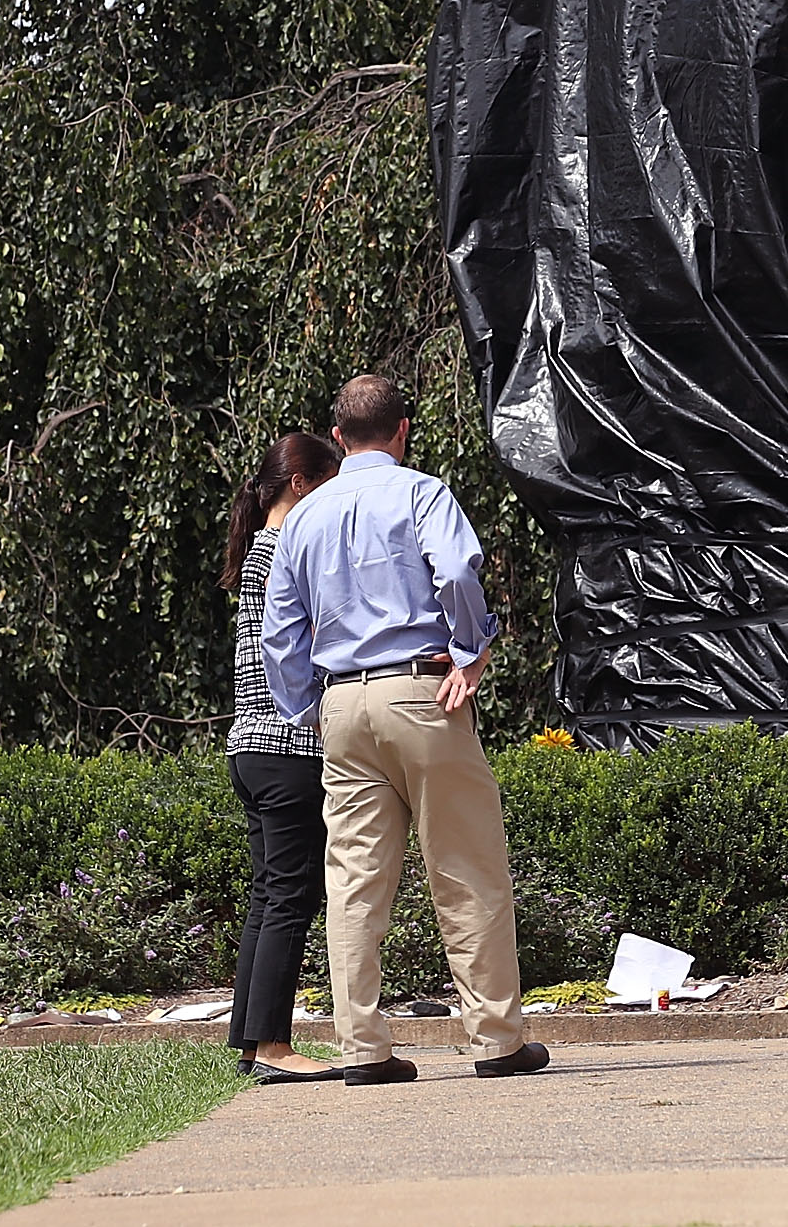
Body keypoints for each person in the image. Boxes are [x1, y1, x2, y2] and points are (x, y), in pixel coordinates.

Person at [259, 373, 546, 1083]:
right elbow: (455, 569)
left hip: (342, 705)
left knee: (354, 882)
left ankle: (364, 1049)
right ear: (402, 430)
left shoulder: (303, 517)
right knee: (466, 866)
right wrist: (472, 648)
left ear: (337, 437)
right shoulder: (422, 492)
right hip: (424, 693)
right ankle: (496, 1040)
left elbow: (279, 631)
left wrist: (308, 709)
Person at [221, 429, 343, 1081]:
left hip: (250, 746)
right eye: (328, 487)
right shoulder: (285, 550)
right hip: (288, 745)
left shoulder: (256, 554)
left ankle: (250, 1042)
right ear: (301, 484)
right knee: (291, 898)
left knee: (270, 896)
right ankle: (272, 1046)